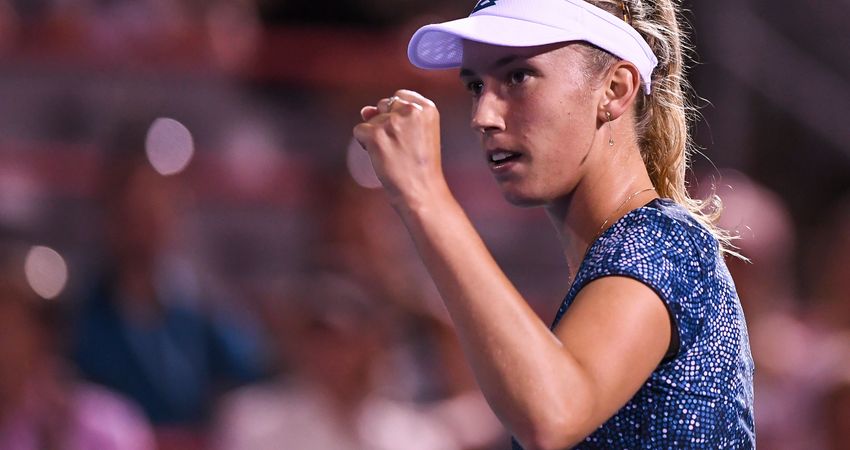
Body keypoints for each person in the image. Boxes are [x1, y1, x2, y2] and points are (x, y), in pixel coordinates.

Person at [353, 0, 755, 448]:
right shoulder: (626, 253)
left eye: (518, 77)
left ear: (615, 89)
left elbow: (552, 414)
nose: (482, 116)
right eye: (476, 85)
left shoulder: (665, 244)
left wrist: (423, 192)